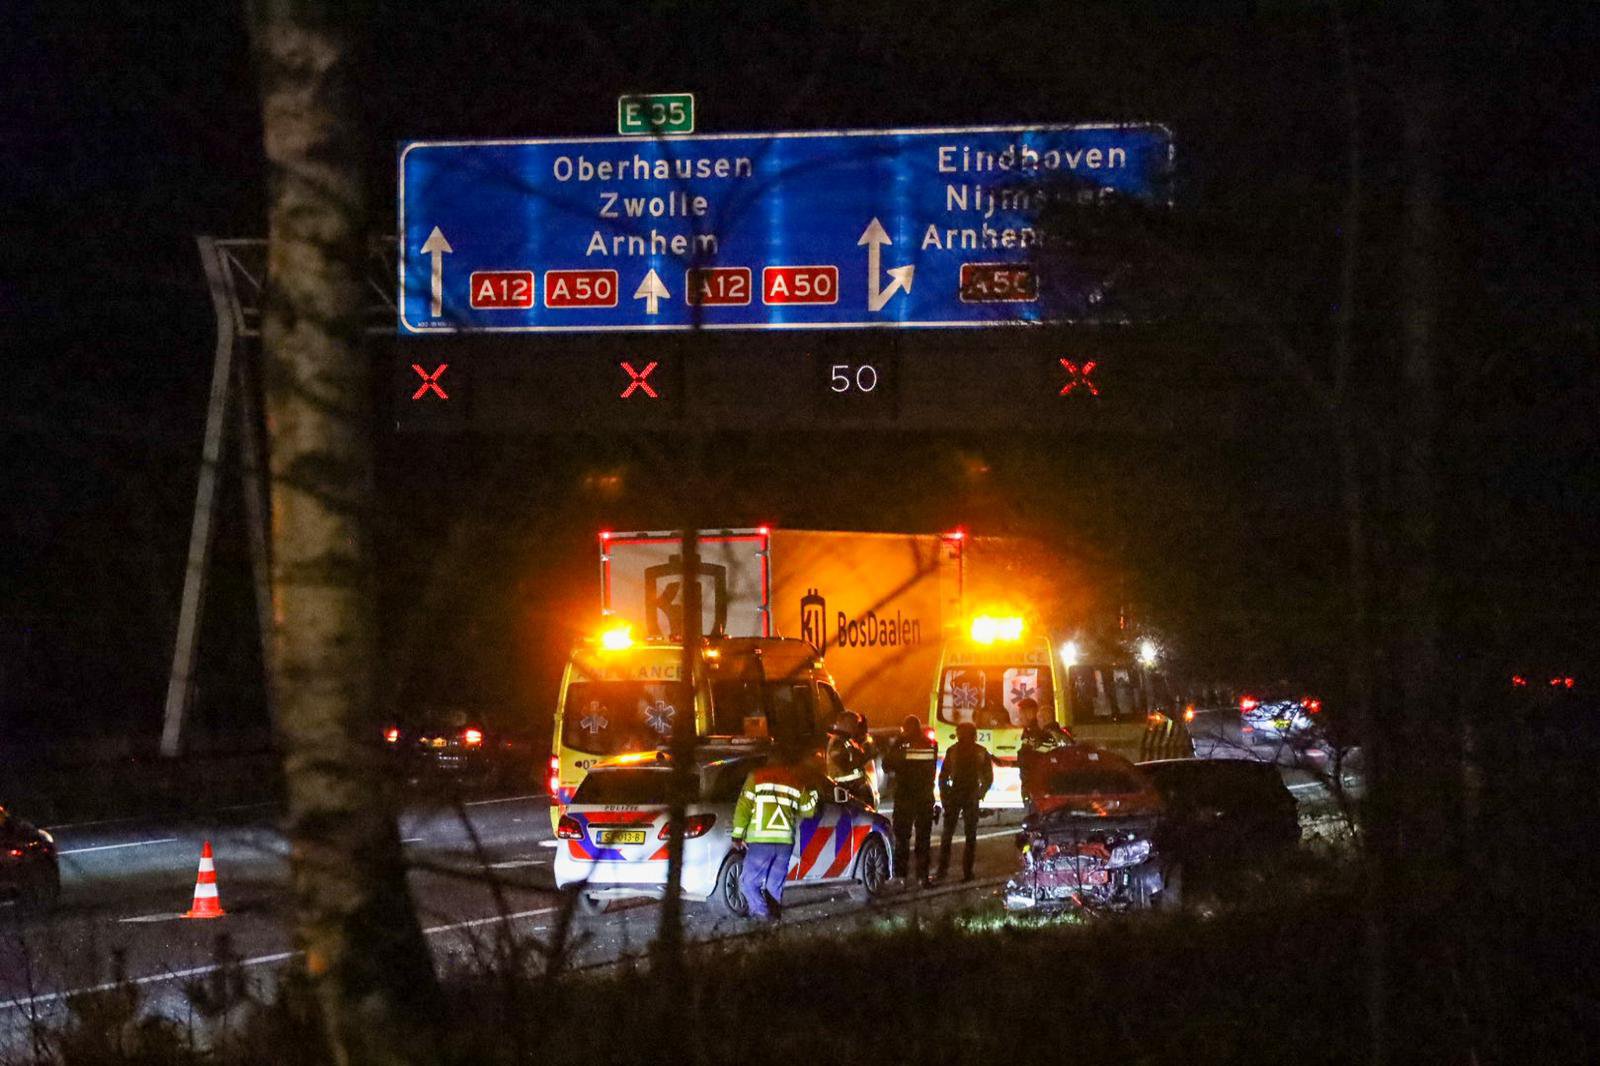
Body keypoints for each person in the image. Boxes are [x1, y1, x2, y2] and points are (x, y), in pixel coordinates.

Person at [729, 739, 819, 921]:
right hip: (785, 843)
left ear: (768, 759)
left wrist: (737, 835)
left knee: (748, 883)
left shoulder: (756, 777)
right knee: (774, 885)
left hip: (761, 843)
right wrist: (814, 791)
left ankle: (763, 916)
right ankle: (774, 921)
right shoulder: (794, 781)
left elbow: (743, 808)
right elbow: (809, 810)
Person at [884, 714, 938, 886]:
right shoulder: (930, 744)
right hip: (924, 796)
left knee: (902, 837)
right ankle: (922, 877)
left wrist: (898, 743)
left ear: (905, 729)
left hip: (905, 796)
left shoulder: (901, 745)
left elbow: (886, 765)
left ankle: (901, 876)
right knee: (923, 838)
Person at [936, 721, 994, 882]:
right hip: (969, 796)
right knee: (970, 836)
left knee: (948, 835)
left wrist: (945, 796)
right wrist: (979, 794)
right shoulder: (981, 752)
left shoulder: (953, 751)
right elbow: (988, 778)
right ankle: (967, 873)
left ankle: (942, 871)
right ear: (974, 735)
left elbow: (943, 777)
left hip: (956, 795)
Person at [1017, 698, 1072, 809]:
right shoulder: (1064, 735)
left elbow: (1032, 760)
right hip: (1061, 785)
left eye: (1039, 718)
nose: (1038, 721)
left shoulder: (1040, 736)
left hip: (1042, 787)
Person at [826, 712, 875, 807]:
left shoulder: (847, 741)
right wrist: (864, 757)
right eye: (854, 723)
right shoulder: (837, 742)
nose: (855, 727)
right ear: (845, 723)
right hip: (848, 790)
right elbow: (844, 764)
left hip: (855, 790)